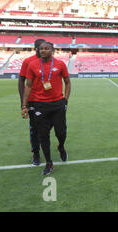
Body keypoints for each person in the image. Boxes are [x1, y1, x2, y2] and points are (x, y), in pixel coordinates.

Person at [21, 42, 71, 175]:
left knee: (61, 132)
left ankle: (61, 146)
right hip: (39, 105)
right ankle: (49, 163)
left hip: (57, 104)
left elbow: (67, 82)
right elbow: (28, 86)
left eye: (46, 48)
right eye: (41, 49)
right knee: (43, 135)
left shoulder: (60, 64)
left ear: (52, 50)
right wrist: (24, 105)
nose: (43, 51)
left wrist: (65, 99)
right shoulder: (33, 65)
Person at [18, 38, 46, 166]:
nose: (44, 50)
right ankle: (36, 154)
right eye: (41, 48)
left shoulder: (49, 61)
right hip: (33, 101)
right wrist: (23, 101)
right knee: (34, 128)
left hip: (48, 100)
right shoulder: (28, 61)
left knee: (48, 127)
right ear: (36, 49)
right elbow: (21, 81)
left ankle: (49, 149)